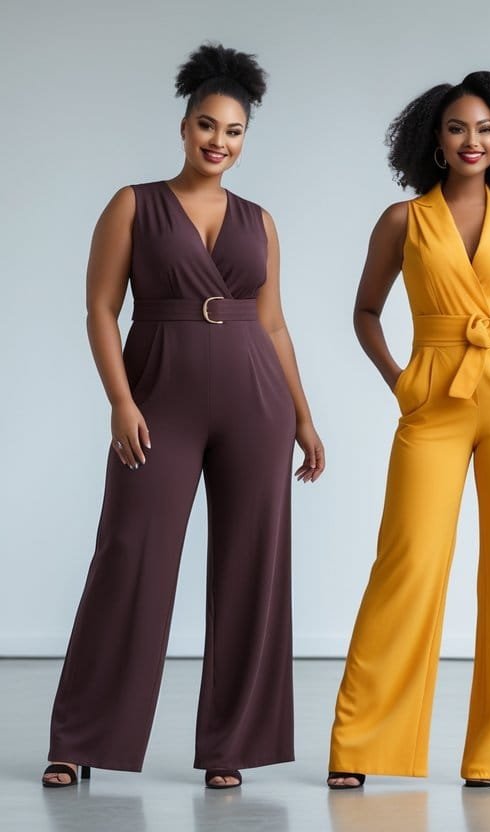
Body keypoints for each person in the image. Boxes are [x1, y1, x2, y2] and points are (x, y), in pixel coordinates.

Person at [42, 43, 325, 790]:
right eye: (207, 125)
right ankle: (79, 739)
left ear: (244, 139)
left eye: (233, 132)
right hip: (159, 392)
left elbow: (274, 326)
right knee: (130, 556)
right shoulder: (134, 202)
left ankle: (230, 748)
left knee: (252, 569)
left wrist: (304, 416)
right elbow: (102, 307)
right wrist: (121, 400)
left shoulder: (259, 221)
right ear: (183, 125)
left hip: (255, 400)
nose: (218, 142)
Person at [326, 71, 490, 790]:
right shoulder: (403, 221)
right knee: (409, 563)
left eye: (485, 129)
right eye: (458, 128)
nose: (472, 141)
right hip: (435, 399)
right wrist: (401, 379)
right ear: (434, 138)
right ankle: (362, 747)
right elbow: (365, 311)